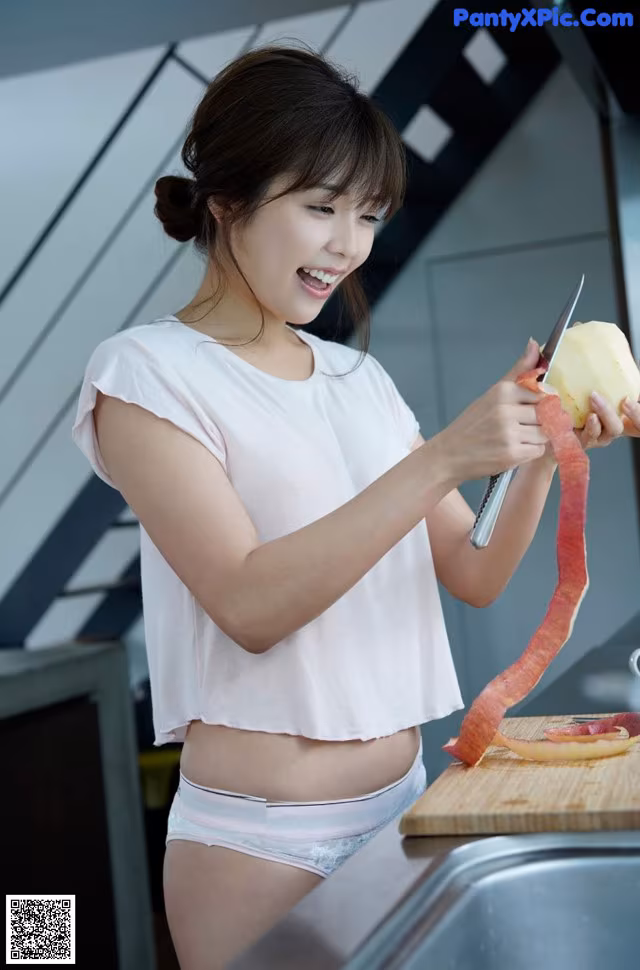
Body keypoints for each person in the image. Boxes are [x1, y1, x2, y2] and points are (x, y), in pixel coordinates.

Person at [72, 44, 629, 970]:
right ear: (228, 203)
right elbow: (250, 605)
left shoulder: (358, 379)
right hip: (259, 846)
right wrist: (448, 452)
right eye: (320, 208)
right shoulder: (143, 374)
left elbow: (475, 572)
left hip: (405, 806)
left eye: (367, 216)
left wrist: (538, 445)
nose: (349, 245)